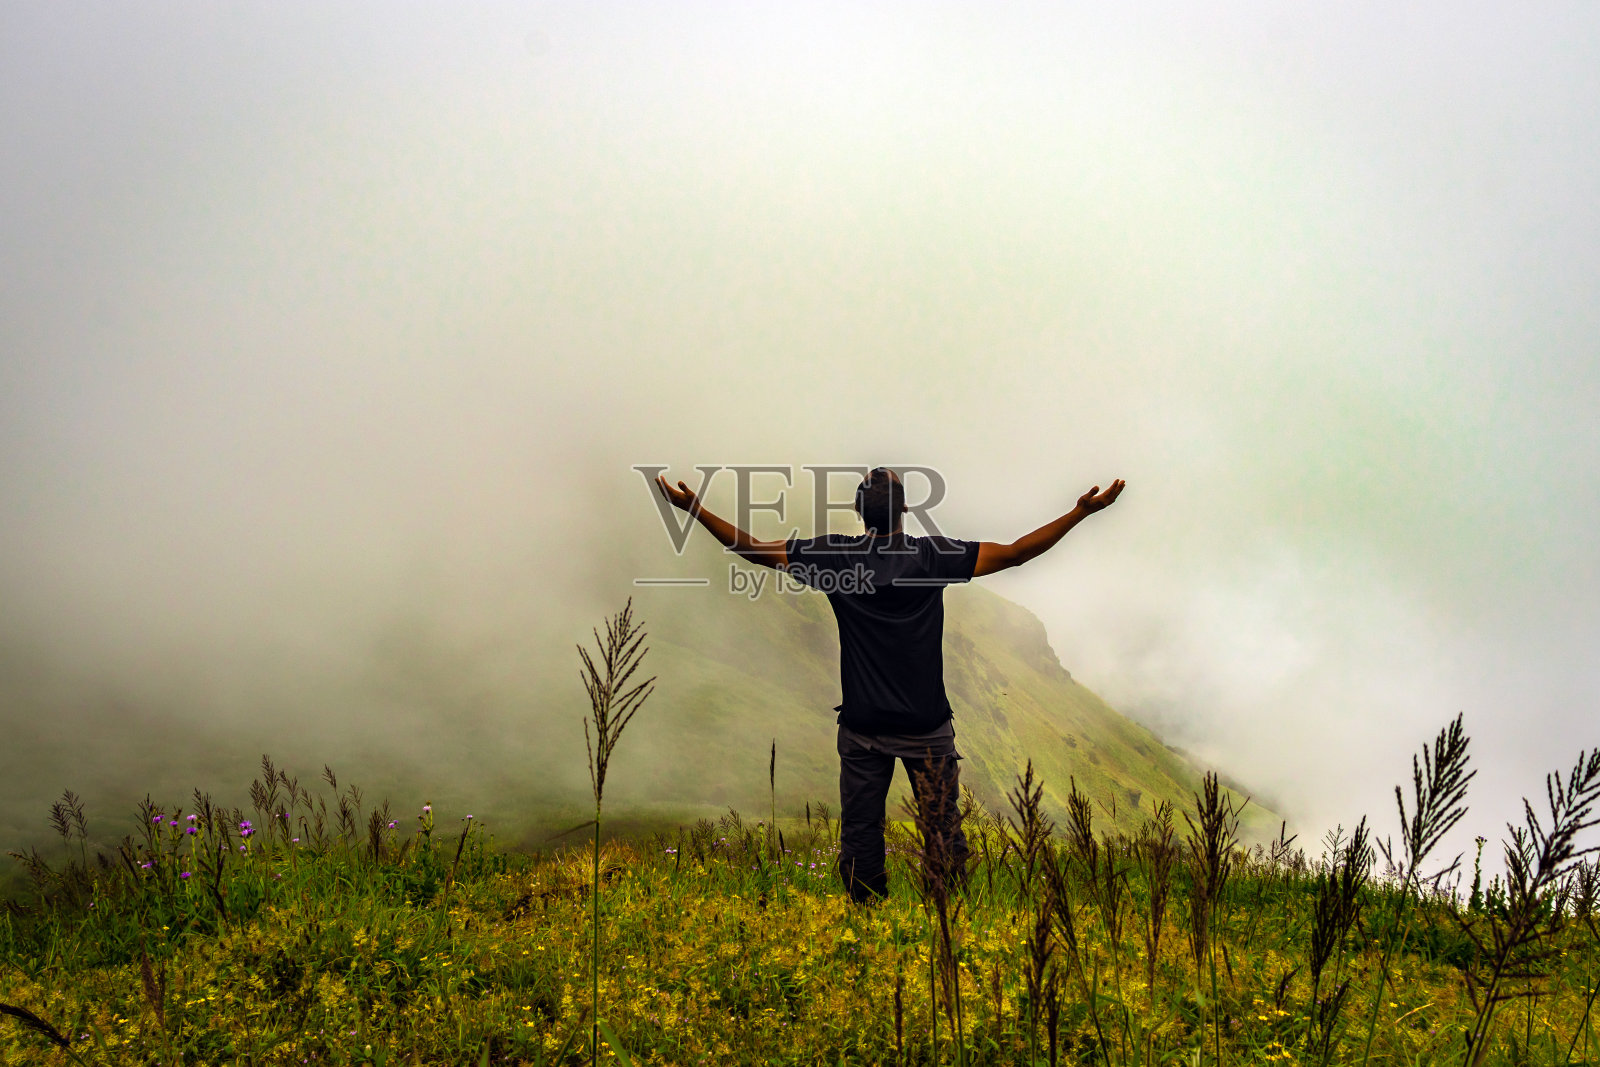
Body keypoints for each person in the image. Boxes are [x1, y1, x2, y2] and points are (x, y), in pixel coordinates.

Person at [653, 467, 1125, 903]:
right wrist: (1079, 513)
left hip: (863, 730)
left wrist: (693, 509)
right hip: (928, 727)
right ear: (904, 511)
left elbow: (753, 550)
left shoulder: (835, 557)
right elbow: (1018, 553)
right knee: (942, 831)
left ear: (859, 512)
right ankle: (948, 918)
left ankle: (867, 918)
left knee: (861, 833)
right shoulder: (932, 557)